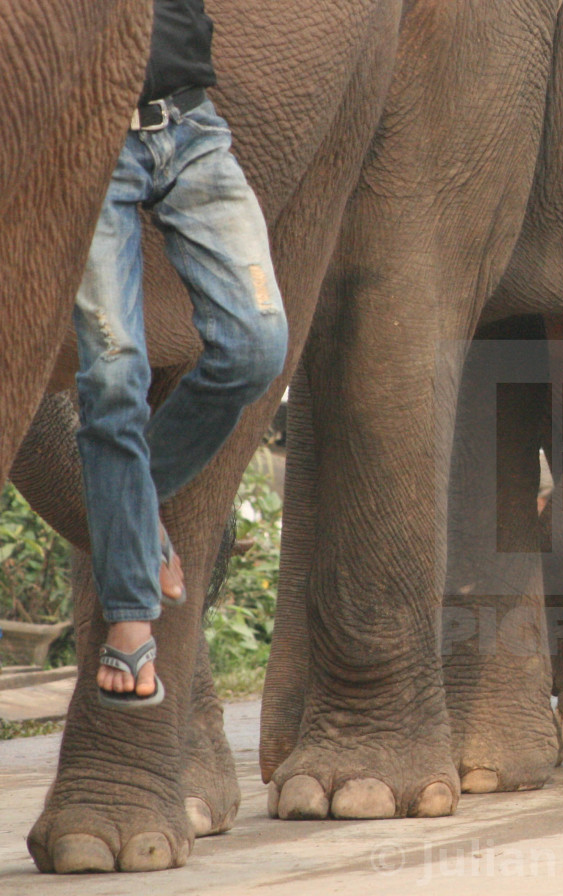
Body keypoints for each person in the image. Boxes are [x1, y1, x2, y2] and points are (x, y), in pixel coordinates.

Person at [74, 0, 288, 708]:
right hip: (87, 141)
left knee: (258, 347)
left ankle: (134, 510)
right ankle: (131, 619)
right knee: (113, 378)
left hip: (193, 129)